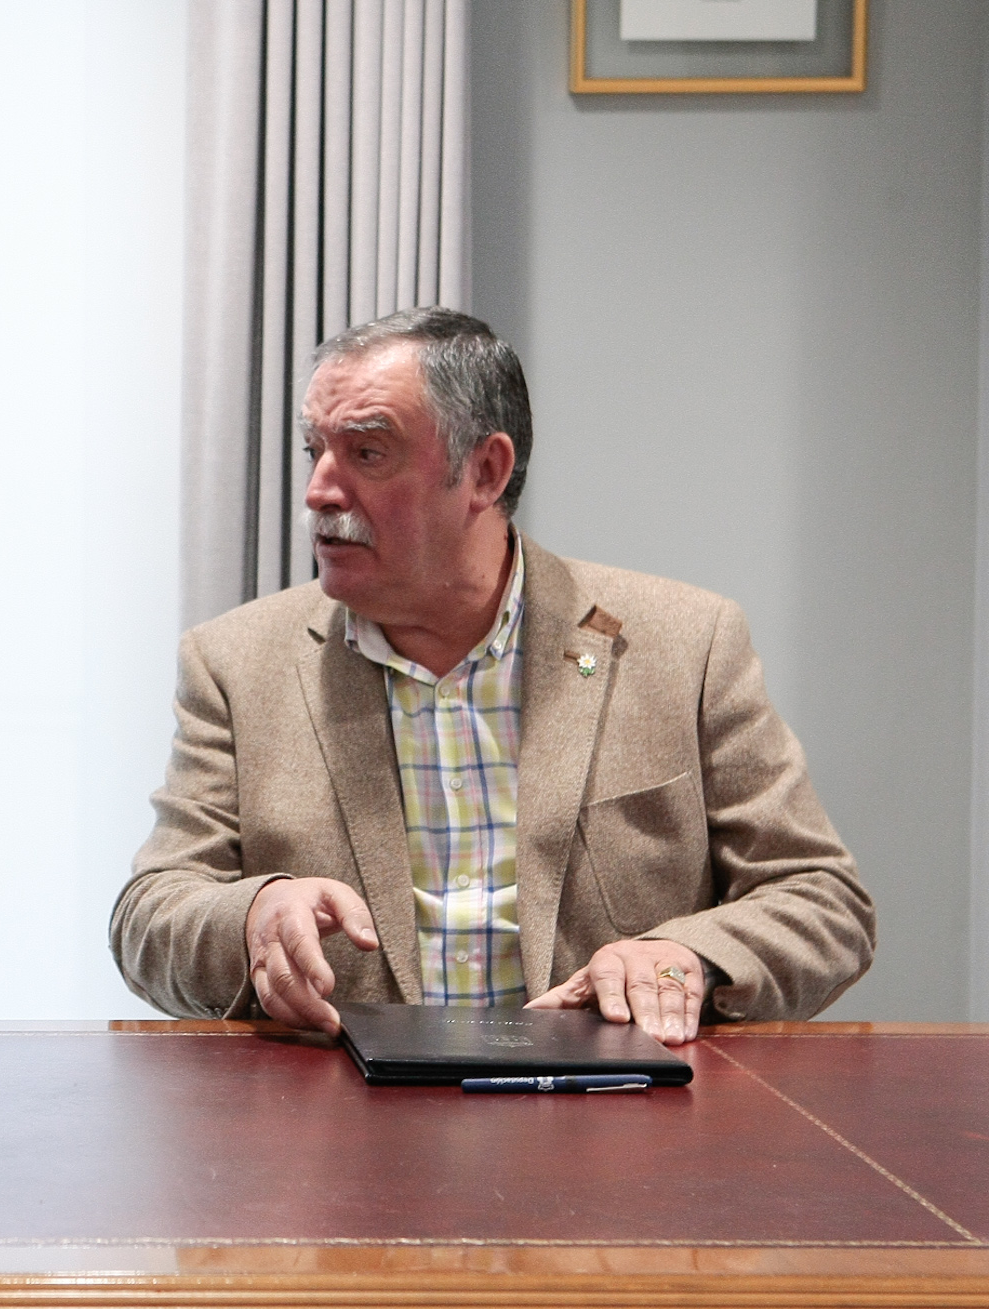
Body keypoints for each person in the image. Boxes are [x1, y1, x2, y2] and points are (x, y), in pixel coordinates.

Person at [111, 308, 872, 1045]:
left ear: (485, 471)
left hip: (606, 1114)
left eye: (367, 453)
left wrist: (687, 959)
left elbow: (823, 900)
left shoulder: (682, 645)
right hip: (346, 1116)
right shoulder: (236, 663)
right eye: (316, 452)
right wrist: (252, 916)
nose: (319, 491)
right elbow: (150, 915)